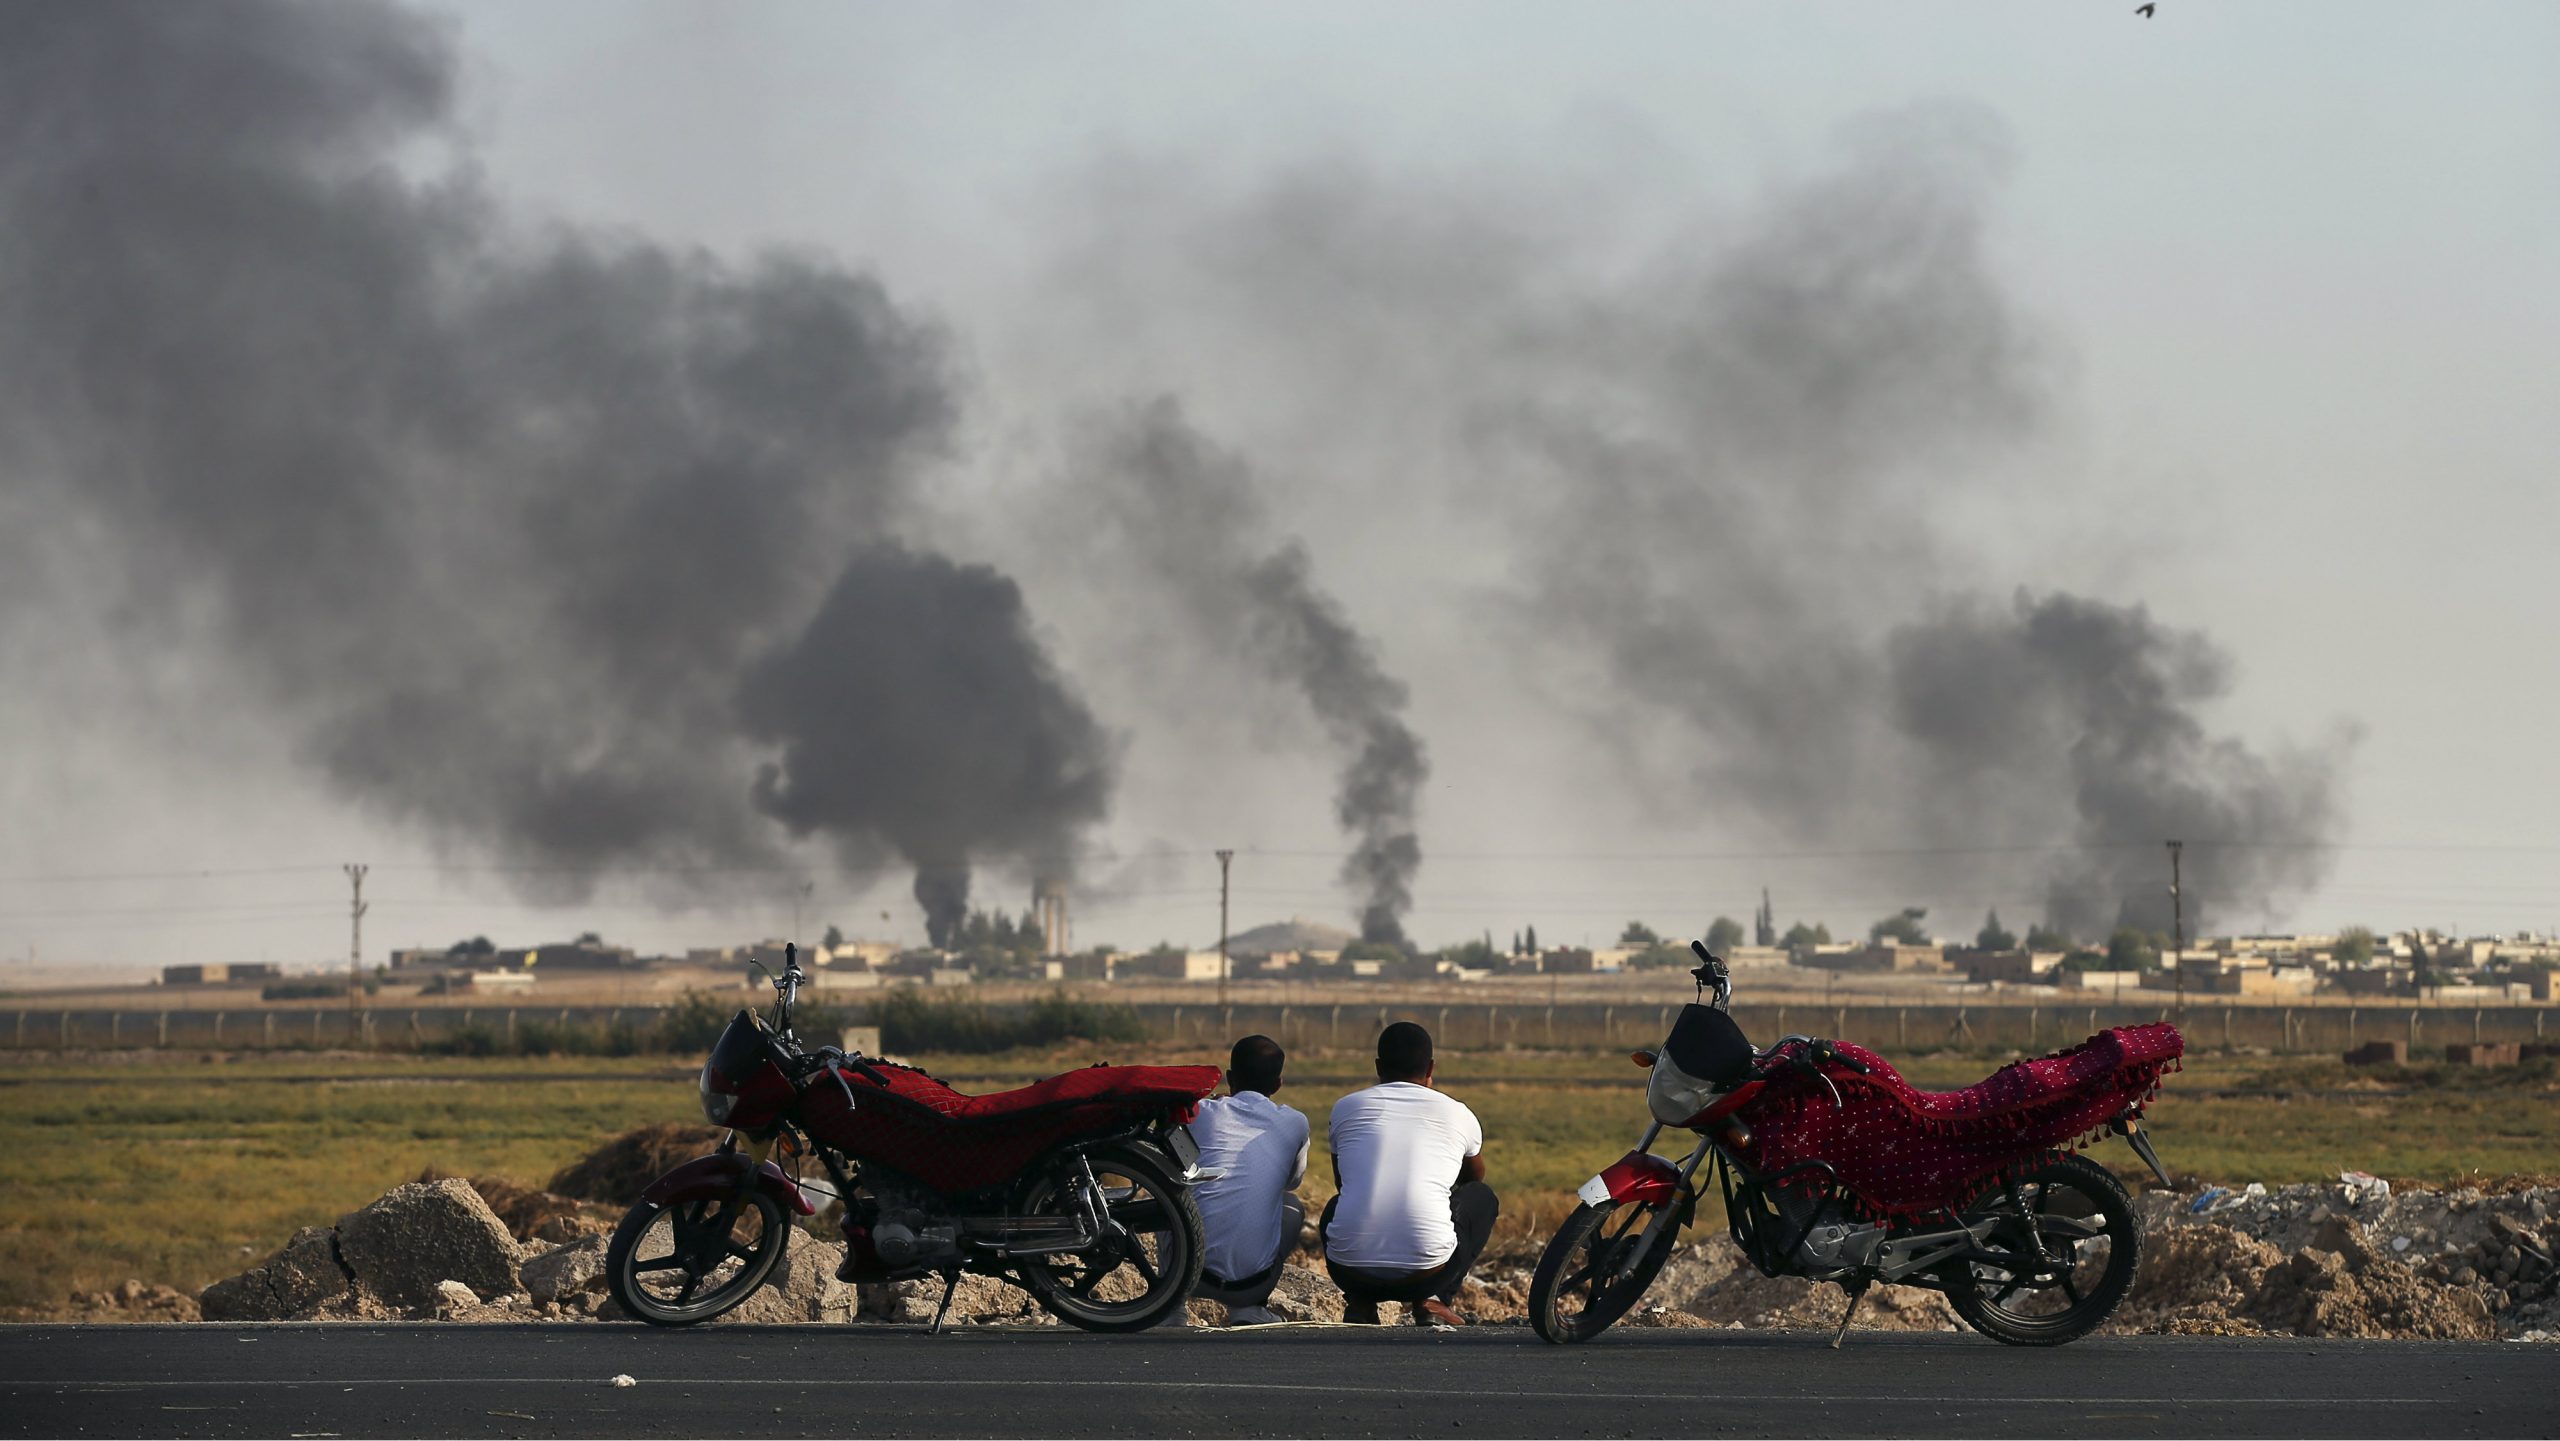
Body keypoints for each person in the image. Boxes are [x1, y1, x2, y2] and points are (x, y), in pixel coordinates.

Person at [1320, 1021, 1498, 1326]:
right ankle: (1435, 1300)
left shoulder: (1345, 1107)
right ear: (1430, 1068)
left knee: (1338, 1203)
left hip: (1349, 1272)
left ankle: (1361, 1302)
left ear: (1378, 1067)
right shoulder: (1458, 1112)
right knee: (1482, 1197)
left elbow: (1342, 1182)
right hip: (1428, 1275)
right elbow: (1475, 1178)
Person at [1182, 1034, 1310, 1326]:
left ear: (1229, 1078)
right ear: (1278, 1084)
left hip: (1187, 1276)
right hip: (1250, 1285)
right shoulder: (1295, 1122)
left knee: (1173, 1192)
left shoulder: (1201, 1112)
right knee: (1291, 1206)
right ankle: (1250, 1308)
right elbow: (1291, 1183)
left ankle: (1172, 1308)